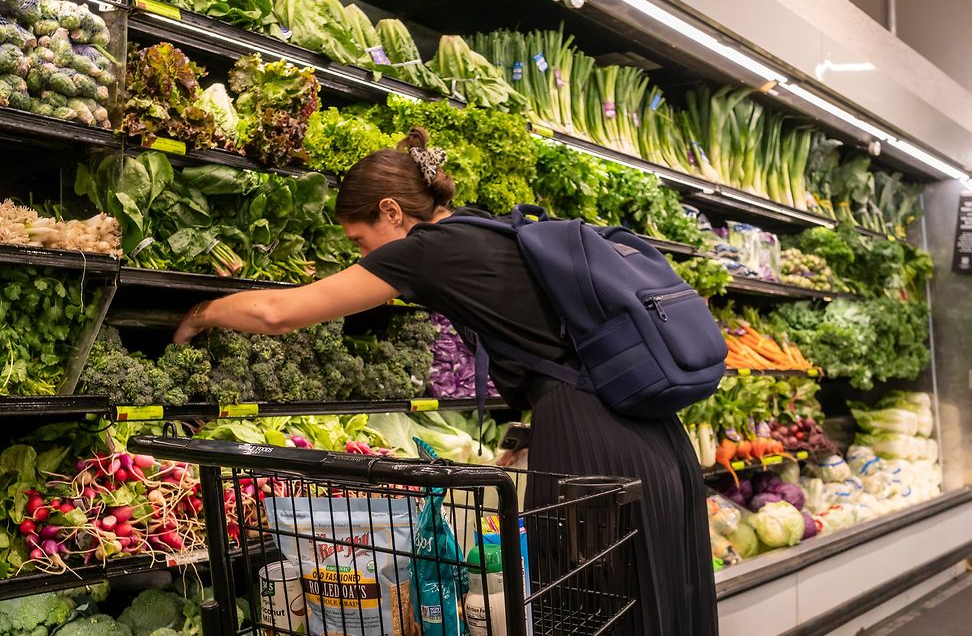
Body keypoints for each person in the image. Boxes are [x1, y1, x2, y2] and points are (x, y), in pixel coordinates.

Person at [173, 127, 719, 636]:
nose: (363, 256)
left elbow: (279, 313)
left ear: (391, 211)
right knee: (657, 598)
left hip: (593, 449)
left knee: (591, 609)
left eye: (361, 241)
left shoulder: (428, 251)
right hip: (653, 439)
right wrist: (531, 431)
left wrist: (202, 313)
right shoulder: (485, 228)